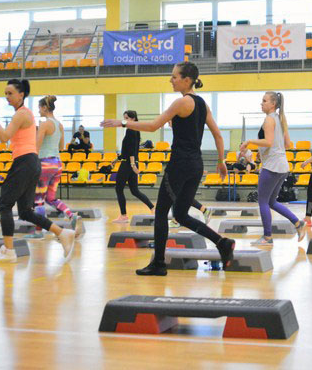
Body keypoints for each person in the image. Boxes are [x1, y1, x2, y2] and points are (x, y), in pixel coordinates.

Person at [101, 62, 235, 276]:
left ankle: (159, 264)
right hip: (195, 165)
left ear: (187, 80)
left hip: (180, 164)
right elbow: (218, 135)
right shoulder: (202, 104)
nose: (170, 80)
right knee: (180, 214)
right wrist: (221, 161)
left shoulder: (182, 102)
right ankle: (222, 243)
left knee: (161, 212)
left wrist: (123, 123)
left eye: (174, 77)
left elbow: (153, 126)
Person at [0, 79, 76, 263]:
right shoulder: (25, 114)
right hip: (32, 162)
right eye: (5, 94)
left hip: (25, 162)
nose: (7, 97)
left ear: (21, 95)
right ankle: (62, 233)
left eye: (10, 93)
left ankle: (9, 251)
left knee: (4, 205)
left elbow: (3, 137)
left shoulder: (21, 114)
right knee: (25, 212)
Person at [240, 92, 306, 247]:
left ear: (273, 104)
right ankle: (297, 223)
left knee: (263, 201)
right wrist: (262, 152)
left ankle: (267, 237)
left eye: (264, 101)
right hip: (282, 166)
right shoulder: (280, 119)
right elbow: (287, 144)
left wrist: (249, 141)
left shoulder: (269, 119)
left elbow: (269, 142)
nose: (261, 103)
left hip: (272, 167)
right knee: (271, 201)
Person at [33, 95, 80, 234]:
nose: (38, 111)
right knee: (50, 198)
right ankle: (71, 215)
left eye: (39, 108)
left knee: (39, 199)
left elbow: (36, 146)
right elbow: (61, 147)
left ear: (44, 108)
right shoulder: (59, 125)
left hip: (45, 163)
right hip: (57, 164)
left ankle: (38, 231)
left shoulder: (44, 124)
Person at [112, 110, 154, 224]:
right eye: (124, 118)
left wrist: (132, 164)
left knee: (119, 189)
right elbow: (128, 150)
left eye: (127, 118)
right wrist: (117, 159)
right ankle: (152, 208)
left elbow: (131, 150)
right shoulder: (136, 130)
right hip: (131, 162)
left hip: (128, 164)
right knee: (134, 190)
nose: (125, 120)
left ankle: (123, 215)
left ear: (133, 119)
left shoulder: (130, 130)